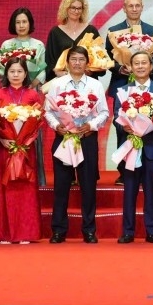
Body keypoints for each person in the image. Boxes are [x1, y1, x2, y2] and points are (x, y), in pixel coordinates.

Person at [44, 45, 108, 243]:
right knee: (61, 187)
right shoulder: (57, 84)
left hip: (86, 138)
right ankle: (58, 230)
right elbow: (48, 111)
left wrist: (91, 125)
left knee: (88, 186)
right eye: (73, 59)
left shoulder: (95, 85)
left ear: (87, 63)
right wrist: (56, 126)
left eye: (81, 59)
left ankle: (89, 230)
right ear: (67, 62)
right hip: (64, 138)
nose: (77, 63)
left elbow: (104, 112)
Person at [104, 0, 153, 185]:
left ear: (142, 7)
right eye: (130, 5)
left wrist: (145, 68)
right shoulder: (113, 31)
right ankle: (125, 171)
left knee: (147, 125)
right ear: (124, 8)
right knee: (123, 127)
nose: (134, 8)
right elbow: (107, 59)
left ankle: (145, 168)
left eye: (137, 5)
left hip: (147, 86)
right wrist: (120, 68)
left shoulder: (152, 31)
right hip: (122, 84)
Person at [115, 51, 153, 243]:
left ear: (151, 66)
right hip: (130, 147)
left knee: (151, 190)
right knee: (129, 190)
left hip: (152, 148)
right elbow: (116, 118)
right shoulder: (123, 91)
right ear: (130, 67)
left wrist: (151, 126)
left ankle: (152, 231)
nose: (140, 66)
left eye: (144, 63)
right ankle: (128, 231)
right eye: (136, 63)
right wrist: (125, 127)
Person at [0, 58, 44, 244]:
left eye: (19, 71)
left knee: (25, 188)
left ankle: (26, 232)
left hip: (26, 148)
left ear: (25, 74)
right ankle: (3, 233)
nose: (15, 75)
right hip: (5, 147)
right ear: (6, 74)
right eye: (12, 71)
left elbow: (38, 121)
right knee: (4, 188)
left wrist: (25, 140)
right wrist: (2, 138)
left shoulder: (32, 94)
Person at [0, 7, 49, 185]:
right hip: (10, 94)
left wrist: (30, 85)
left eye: (24, 22)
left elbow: (42, 70)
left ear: (30, 24)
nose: (21, 25)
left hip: (30, 93)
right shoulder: (6, 45)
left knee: (31, 134)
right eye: (18, 22)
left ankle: (36, 179)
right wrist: (14, 81)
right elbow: (1, 70)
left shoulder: (38, 45)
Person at [44, 0, 101, 83]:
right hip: (62, 81)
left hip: (88, 81)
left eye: (79, 8)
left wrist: (90, 71)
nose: (76, 11)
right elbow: (49, 61)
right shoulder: (55, 32)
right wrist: (58, 72)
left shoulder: (91, 30)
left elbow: (100, 58)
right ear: (66, 8)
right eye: (73, 8)